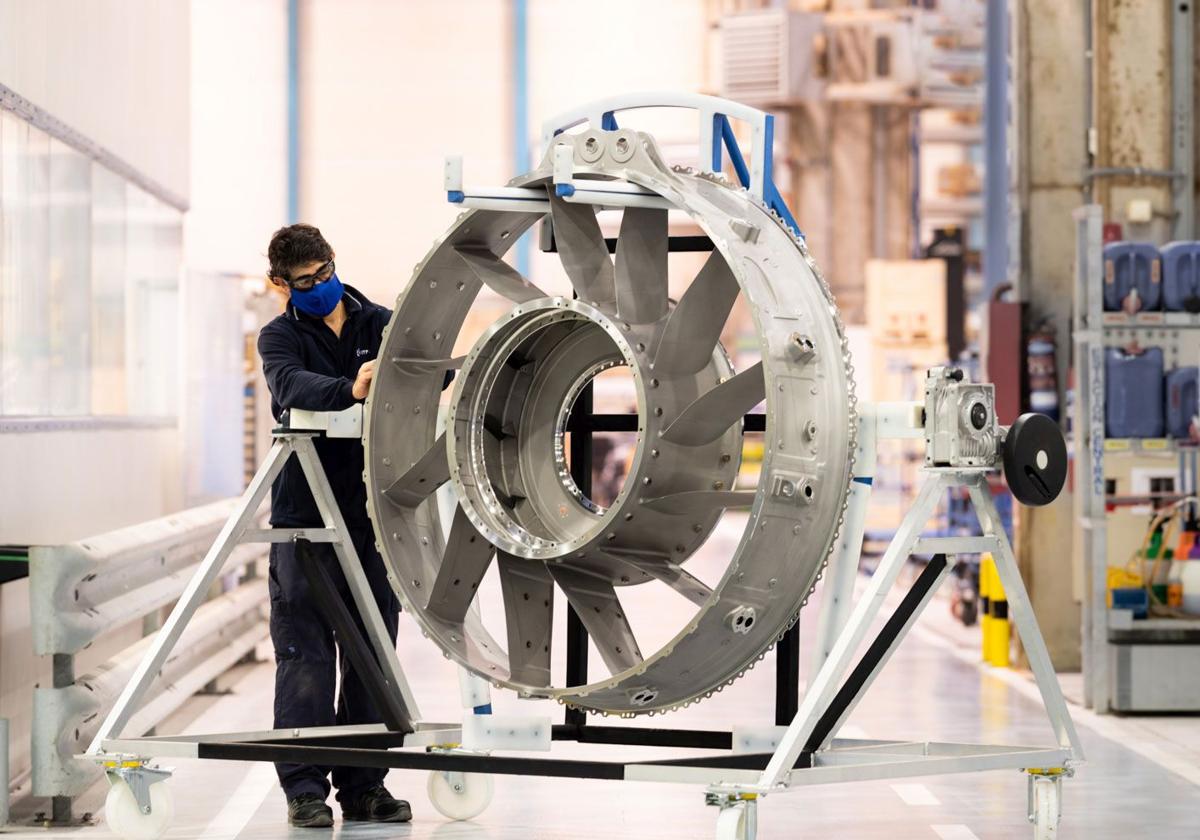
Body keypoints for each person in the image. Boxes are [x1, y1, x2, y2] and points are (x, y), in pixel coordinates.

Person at [257, 223, 413, 828]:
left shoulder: (382, 322)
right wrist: (351, 387)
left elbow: (427, 373)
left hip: (373, 514)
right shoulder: (278, 338)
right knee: (306, 652)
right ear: (281, 284)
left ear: (333, 262)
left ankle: (365, 784)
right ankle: (305, 789)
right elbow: (288, 385)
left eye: (324, 274)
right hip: (307, 517)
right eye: (304, 282)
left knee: (373, 648)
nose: (319, 287)